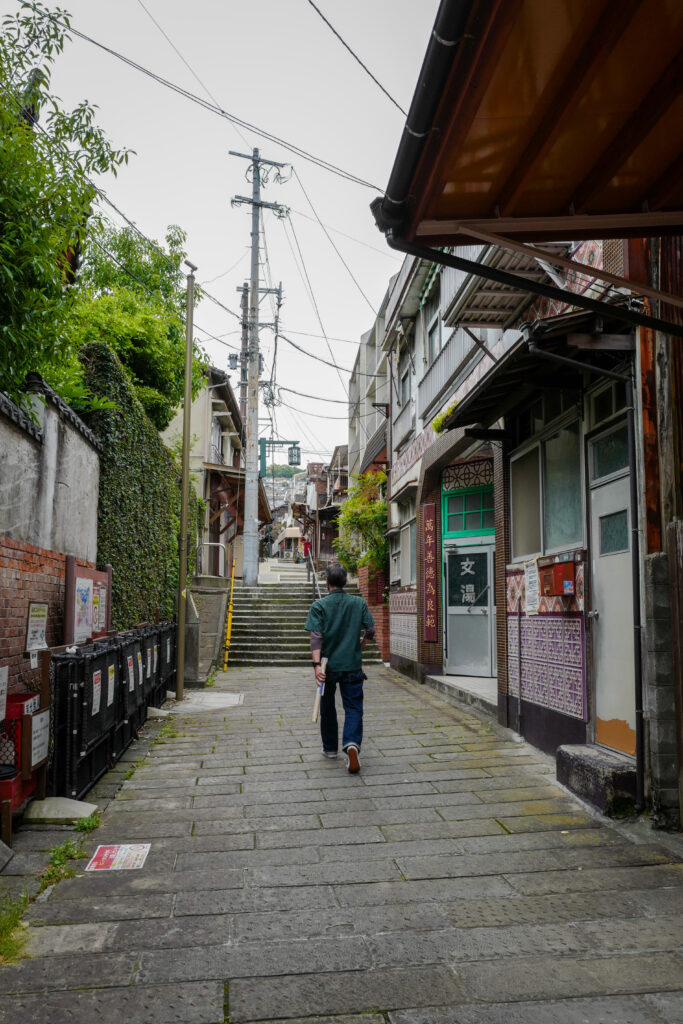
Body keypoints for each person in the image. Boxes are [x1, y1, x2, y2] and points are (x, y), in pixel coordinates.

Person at [305, 563, 375, 773]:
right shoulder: (358, 603)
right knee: (353, 707)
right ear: (345, 581)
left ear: (327, 582)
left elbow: (316, 637)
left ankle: (330, 749)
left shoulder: (319, 606)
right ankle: (352, 743)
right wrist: (362, 642)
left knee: (327, 708)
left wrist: (317, 666)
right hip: (352, 664)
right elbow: (370, 629)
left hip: (327, 666)